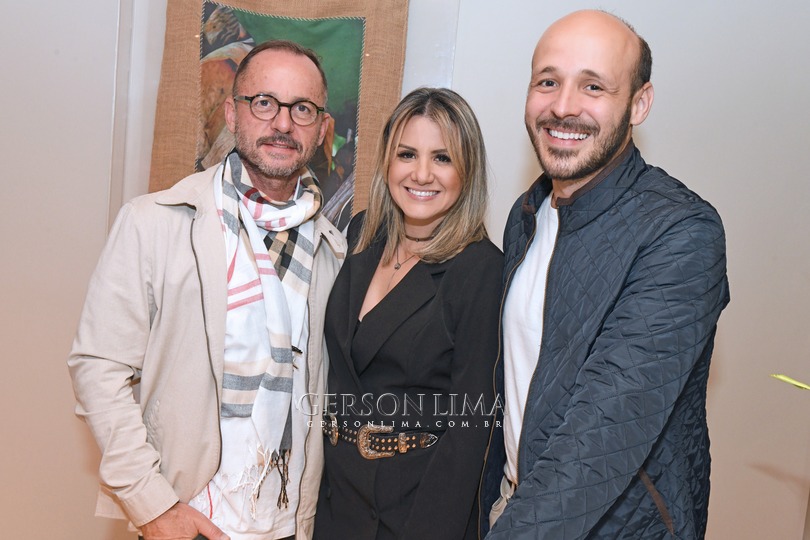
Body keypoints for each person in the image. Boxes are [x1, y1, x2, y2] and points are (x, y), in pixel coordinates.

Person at [68, 40, 346, 540]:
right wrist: (152, 505)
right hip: (189, 518)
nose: (283, 123)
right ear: (232, 114)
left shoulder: (334, 252)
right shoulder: (154, 223)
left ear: (322, 128)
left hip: (288, 523)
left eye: (302, 108)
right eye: (264, 102)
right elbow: (98, 367)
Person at [482, 10, 730, 539]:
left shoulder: (682, 232)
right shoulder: (527, 214)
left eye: (593, 86)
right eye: (548, 82)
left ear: (639, 103)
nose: (563, 106)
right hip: (517, 506)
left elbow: (600, 437)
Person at [313, 87, 503, 540]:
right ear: (387, 161)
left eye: (442, 158)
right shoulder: (361, 233)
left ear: (467, 170)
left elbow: (469, 435)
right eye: (407, 154)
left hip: (413, 511)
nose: (421, 174)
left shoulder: (480, 269)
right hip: (335, 503)